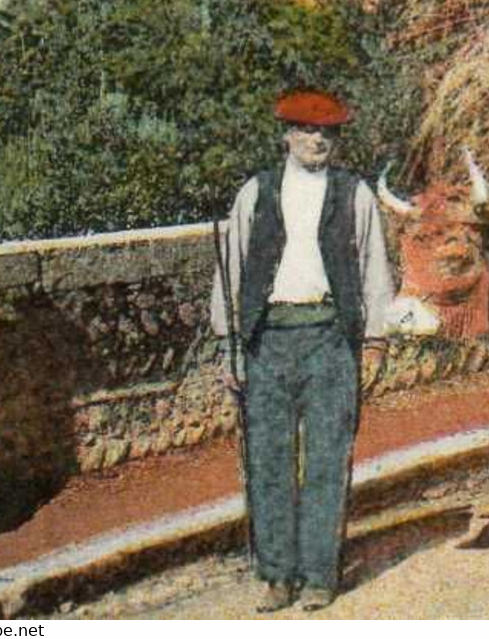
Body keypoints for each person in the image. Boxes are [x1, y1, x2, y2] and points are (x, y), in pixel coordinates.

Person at [210, 89, 395, 613]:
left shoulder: (353, 194)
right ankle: (276, 574)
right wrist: (230, 345)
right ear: (286, 135)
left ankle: (318, 574)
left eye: (328, 132)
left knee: (327, 459)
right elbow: (231, 269)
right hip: (267, 340)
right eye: (307, 130)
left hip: (331, 340)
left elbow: (374, 270)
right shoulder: (257, 192)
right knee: (267, 459)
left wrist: (375, 341)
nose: (318, 140)